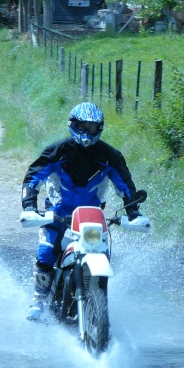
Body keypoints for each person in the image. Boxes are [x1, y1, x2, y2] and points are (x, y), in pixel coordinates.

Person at [20, 102, 146, 321]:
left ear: (100, 128)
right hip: (57, 214)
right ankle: (39, 298)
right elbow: (33, 177)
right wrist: (30, 206)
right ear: (73, 125)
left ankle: (96, 300)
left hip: (90, 218)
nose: (87, 132)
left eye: (93, 127)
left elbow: (125, 185)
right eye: (83, 126)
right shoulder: (57, 151)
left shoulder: (110, 157)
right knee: (46, 251)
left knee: (102, 253)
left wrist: (133, 211)